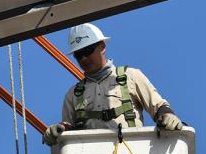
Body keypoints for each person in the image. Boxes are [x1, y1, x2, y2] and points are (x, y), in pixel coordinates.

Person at [42, 23, 183, 145]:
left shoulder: (130, 76)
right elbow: (68, 134)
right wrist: (57, 131)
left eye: (87, 51)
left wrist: (168, 116)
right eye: (79, 55)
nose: (84, 58)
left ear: (102, 47)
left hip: (132, 153)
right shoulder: (73, 94)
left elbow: (158, 106)